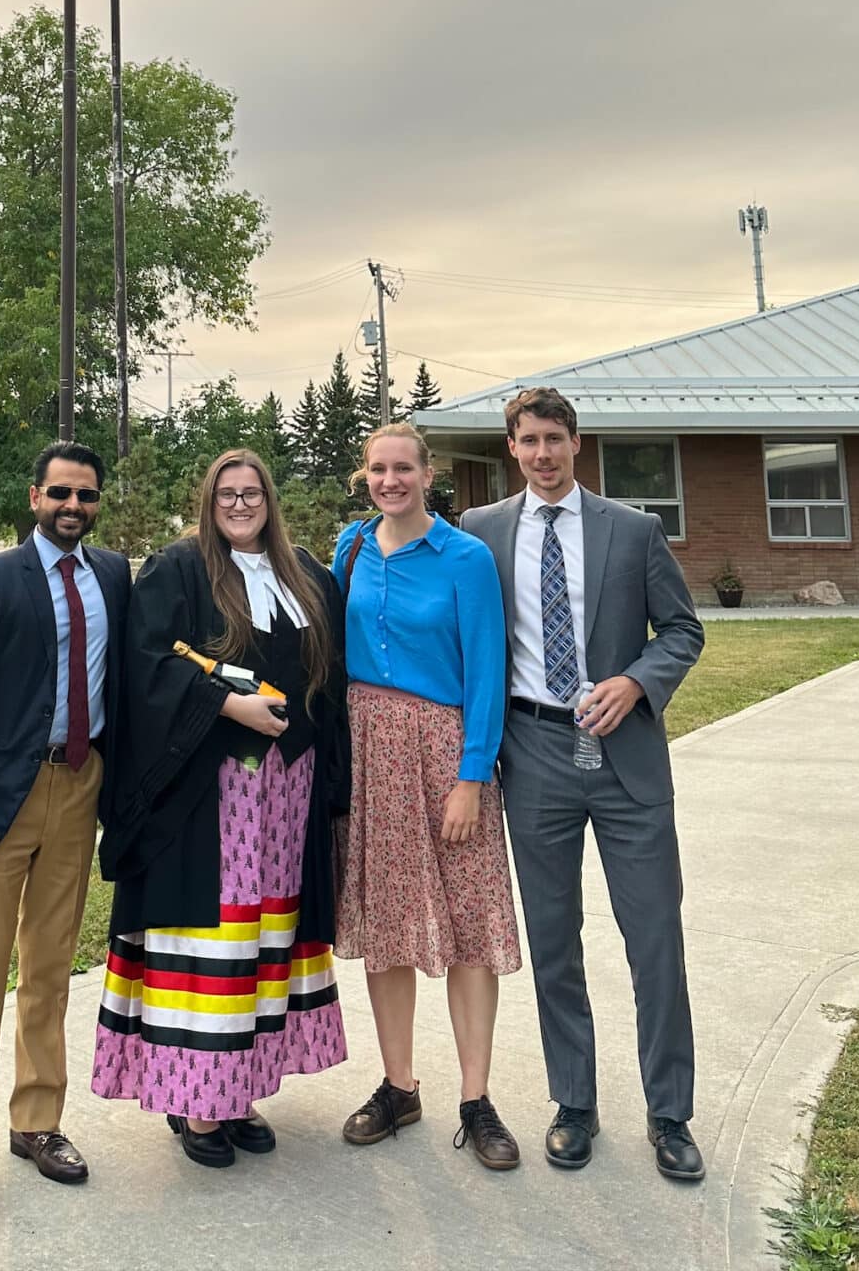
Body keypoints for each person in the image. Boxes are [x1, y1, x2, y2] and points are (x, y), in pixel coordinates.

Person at [462, 387, 705, 1182]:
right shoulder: (482, 532)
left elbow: (681, 630)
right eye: (527, 441)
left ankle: (669, 1115)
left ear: (576, 442)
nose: (542, 454)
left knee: (653, 940)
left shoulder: (632, 531)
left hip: (626, 759)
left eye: (554, 440)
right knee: (553, 942)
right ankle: (574, 1103)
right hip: (532, 756)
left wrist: (636, 682)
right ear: (511, 449)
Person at [92, 449, 349, 1167]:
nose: (240, 505)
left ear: (270, 499)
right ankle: (193, 1101)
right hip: (212, 796)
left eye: (252, 493)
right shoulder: (178, 569)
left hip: (286, 791)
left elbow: (331, 679)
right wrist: (226, 703)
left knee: (265, 942)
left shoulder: (305, 574)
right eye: (226, 495)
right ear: (208, 502)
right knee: (213, 941)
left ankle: (236, 1091)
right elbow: (146, 663)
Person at [0, 442, 131, 1231]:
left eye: (85, 494)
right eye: (59, 492)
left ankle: (36, 1123)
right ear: (33, 495)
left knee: (49, 970)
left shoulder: (112, 575)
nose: (72, 505)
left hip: (79, 789)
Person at [333, 422, 523, 1169]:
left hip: (446, 752)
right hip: (368, 750)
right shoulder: (349, 549)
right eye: (378, 469)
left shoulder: (464, 558)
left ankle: (475, 1099)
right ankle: (398, 1084)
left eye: (402, 468)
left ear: (427, 473)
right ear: (365, 475)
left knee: (469, 921)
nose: (390, 480)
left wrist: (471, 777)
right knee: (386, 922)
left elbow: (485, 672)